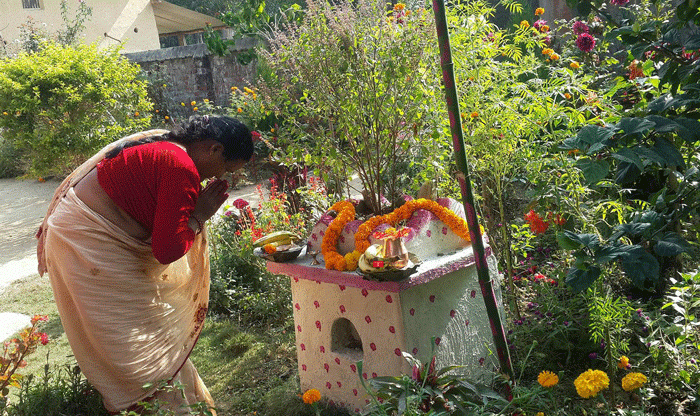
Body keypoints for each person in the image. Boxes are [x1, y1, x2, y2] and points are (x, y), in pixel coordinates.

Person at [36, 115, 254, 415]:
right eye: (227, 168)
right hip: (87, 245)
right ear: (214, 149)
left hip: (87, 239)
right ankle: (164, 408)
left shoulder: (170, 146)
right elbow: (166, 250)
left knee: (152, 328)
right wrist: (198, 215)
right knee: (131, 346)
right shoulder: (180, 166)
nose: (222, 177)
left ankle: (184, 402)